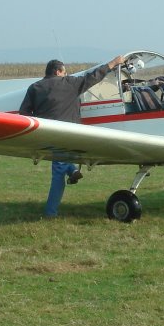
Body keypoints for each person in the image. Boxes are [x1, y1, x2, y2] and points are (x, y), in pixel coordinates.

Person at [19, 55, 124, 218]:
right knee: (60, 170)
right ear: (58, 71)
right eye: (65, 72)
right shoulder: (70, 83)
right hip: (72, 134)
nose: (66, 75)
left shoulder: (35, 88)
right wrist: (113, 63)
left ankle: (69, 176)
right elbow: (94, 77)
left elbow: (24, 114)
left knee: (59, 169)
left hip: (49, 135)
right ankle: (52, 209)